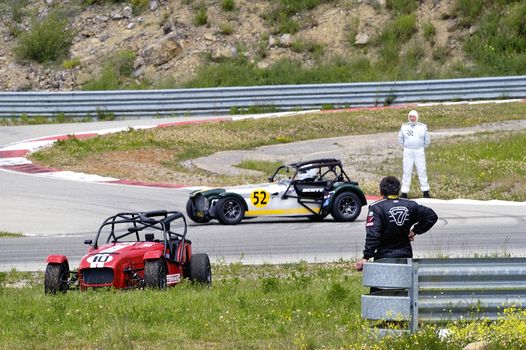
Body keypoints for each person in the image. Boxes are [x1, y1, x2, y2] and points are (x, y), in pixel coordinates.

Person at [354, 176, 437, 272]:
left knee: (381, 286)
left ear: (381, 192)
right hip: (406, 254)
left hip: (384, 256)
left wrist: (366, 257)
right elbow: (432, 216)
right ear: (398, 190)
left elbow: (373, 234)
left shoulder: (376, 207)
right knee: (404, 284)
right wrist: (414, 231)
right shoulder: (411, 205)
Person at [398, 110, 431, 198]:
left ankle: (425, 191)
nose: (412, 118)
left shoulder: (422, 127)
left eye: (414, 117)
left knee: (422, 170)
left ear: (417, 117)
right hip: (408, 151)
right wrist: (406, 148)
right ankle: (404, 192)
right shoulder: (404, 127)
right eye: (410, 117)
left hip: (419, 151)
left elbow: (427, 140)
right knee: (407, 171)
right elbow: (401, 140)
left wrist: (421, 148)